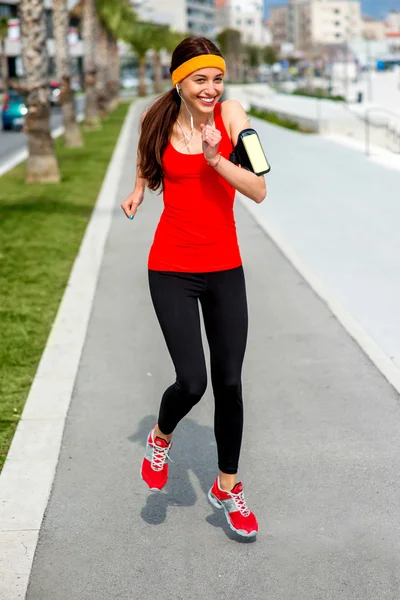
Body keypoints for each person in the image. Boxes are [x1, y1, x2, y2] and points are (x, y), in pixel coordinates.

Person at [121, 37, 266, 538]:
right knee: (192, 382)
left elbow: (259, 189)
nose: (211, 88)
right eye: (200, 79)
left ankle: (227, 488)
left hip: (225, 266)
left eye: (217, 78)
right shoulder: (155, 119)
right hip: (171, 268)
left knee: (229, 382)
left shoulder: (231, 116)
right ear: (179, 80)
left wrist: (216, 160)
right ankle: (161, 438)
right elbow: (146, 156)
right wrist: (140, 188)